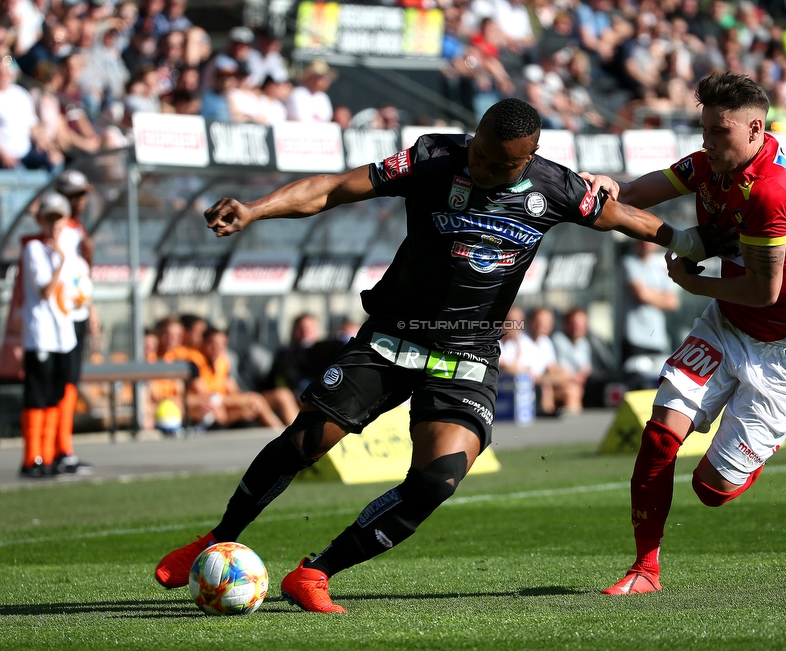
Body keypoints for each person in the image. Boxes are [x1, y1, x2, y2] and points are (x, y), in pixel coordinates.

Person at [154, 98, 713, 612]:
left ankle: (315, 573)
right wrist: (254, 210)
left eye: (501, 165)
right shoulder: (432, 158)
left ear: (529, 159)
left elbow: (624, 218)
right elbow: (333, 189)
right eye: (481, 154)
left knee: (438, 478)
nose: (486, 169)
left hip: (466, 357)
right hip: (392, 337)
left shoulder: (557, 188)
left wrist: (690, 243)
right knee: (303, 443)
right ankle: (217, 538)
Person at [599, 72, 786, 596]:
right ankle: (646, 570)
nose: (707, 142)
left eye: (718, 132)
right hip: (729, 321)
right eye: (704, 129)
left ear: (755, 128)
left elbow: (763, 292)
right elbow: (642, 192)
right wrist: (607, 188)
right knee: (660, 432)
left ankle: (762, 442)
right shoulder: (711, 162)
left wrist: (694, 282)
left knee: (710, 490)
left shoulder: (772, 192)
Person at [18, 193, 76, 478]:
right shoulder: (35, 250)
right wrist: (62, 261)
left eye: (59, 218)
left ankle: (50, 454)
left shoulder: (64, 249)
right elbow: (44, 289)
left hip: (61, 335)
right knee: (37, 395)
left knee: (54, 394)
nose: (55, 224)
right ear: (40, 220)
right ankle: (32, 457)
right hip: (40, 334)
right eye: (49, 218)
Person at [51, 169, 98, 475]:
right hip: (62, 315)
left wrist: (90, 309)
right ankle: (58, 449)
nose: (83, 200)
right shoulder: (61, 231)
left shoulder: (76, 228)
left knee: (68, 382)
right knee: (61, 383)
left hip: (75, 312)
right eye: (77, 195)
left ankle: (61, 448)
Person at [189, 326, 285, 431]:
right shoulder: (194, 361)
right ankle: (280, 434)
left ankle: (283, 433)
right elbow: (202, 393)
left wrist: (241, 402)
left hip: (223, 401)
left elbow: (233, 389)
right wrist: (242, 400)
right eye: (212, 343)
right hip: (206, 404)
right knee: (254, 399)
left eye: (222, 344)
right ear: (203, 342)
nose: (217, 348)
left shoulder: (222, 360)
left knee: (257, 402)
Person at [621, 239, 680, 386]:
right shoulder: (629, 262)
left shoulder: (661, 265)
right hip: (635, 337)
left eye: (649, 241)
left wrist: (649, 294)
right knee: (635, 383)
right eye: (641, 240)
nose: (646, 244)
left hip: (657, 338)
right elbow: (640, 294)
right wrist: (661, 296)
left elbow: (673, 302)